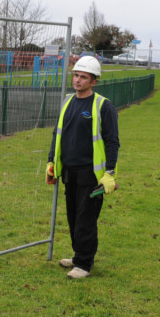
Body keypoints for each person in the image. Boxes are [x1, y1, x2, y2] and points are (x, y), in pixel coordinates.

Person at [46, 55, 119, 279]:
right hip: (69, 171)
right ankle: (79, 256)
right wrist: (51, 162)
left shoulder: (102, 106)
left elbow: (112, 141)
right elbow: (57, 134)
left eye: (83, 77)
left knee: (86, 219)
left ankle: (84, 264)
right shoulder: (68, 102)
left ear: (93, 81)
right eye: (76, 75)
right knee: (73, 217)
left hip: (92, 175)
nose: (77, 80)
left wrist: (109, 172)